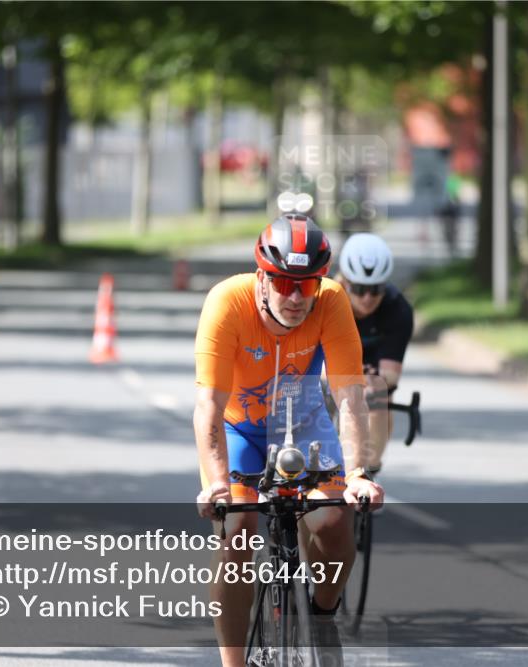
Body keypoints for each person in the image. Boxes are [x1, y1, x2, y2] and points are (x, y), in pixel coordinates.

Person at [193, 213, 385, 667]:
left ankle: (321, 616)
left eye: (308, 284)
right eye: (283, 283)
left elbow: (351, 399)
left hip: (303, 425)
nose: (296, 297)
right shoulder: (227, 302)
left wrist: (357, 473)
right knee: (237, 532)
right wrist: (218, 484)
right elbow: (209, 409)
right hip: (239, 429)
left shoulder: (331, 301)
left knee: (335, 520)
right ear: (262, 277)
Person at [335, 233, 415, 474]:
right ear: (345, 282)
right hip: (333, 363)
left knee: (377, 391)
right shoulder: (326, 299)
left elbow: (390, 375)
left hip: (371, 368)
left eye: (375, 289)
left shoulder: (397, 308)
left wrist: (363, 380)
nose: (368, 298)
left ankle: (369, 470)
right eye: (359, 289)